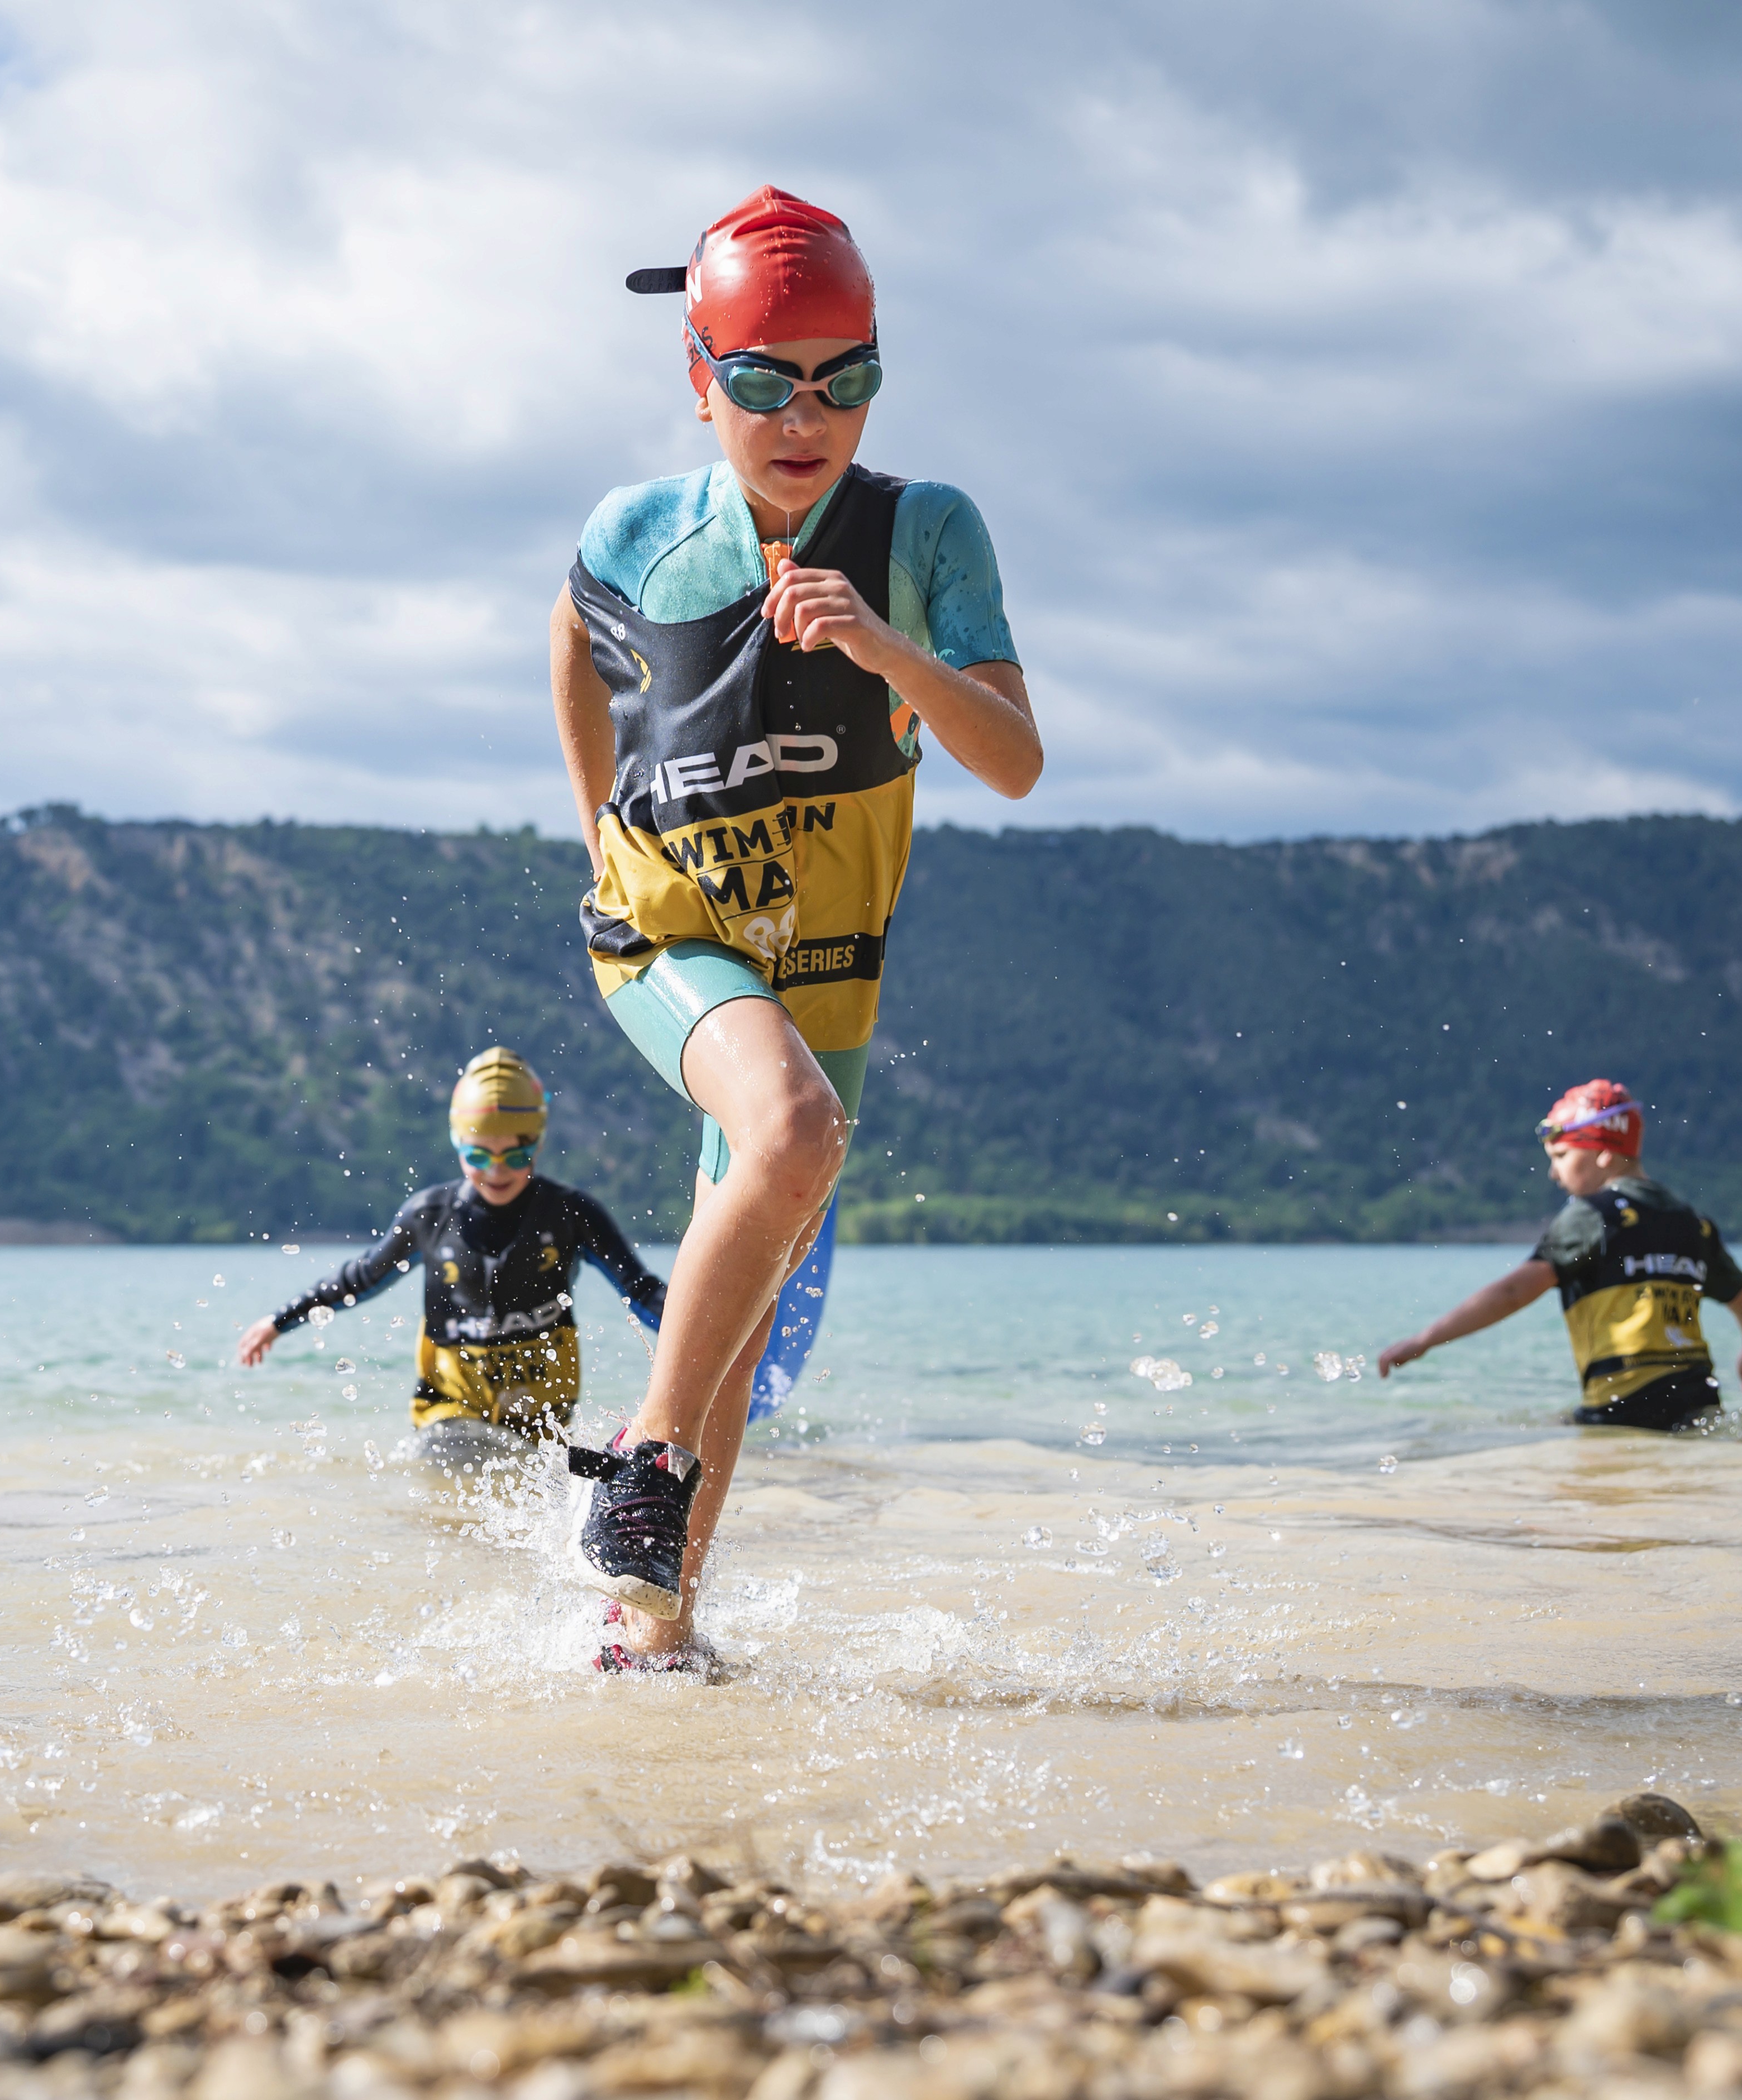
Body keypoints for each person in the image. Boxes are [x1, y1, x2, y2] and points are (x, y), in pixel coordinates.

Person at [551, 187, 1042, 1667]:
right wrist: (592, 830)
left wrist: (882, 642)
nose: (803, 414)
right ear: (701, 378)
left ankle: (653, 1628)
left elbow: (1013, 760)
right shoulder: (636, 528)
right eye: (764, 380)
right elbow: (575, 646)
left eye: (848, 376)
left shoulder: (922, 530)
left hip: (827, 966)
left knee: (742, 1321)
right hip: (667, 936)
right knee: (792, 1132)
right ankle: (637, 1473)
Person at [237, 1048, 665, 1471]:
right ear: (457, 1143)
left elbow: (642, 1291)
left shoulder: (571, 1214)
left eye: (515, 1156)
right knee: (447, 1477)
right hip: (449, 1409)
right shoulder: (429, 1216)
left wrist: (720, 1348)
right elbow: (362, 1277)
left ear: (538, 1143)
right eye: (478, 1156)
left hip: (539, 1418)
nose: (496, 1171)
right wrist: (279, 1320)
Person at [1375, 1080, 1742, 1431]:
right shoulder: (1690, 1222)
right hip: (1698, 1400)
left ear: (1603, 1152)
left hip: (1624, 1406)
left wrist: (1425, 1339)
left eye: (1561, 1157)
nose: (1553, 1174)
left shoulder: (1591, 1216)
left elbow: (1513, 1292)